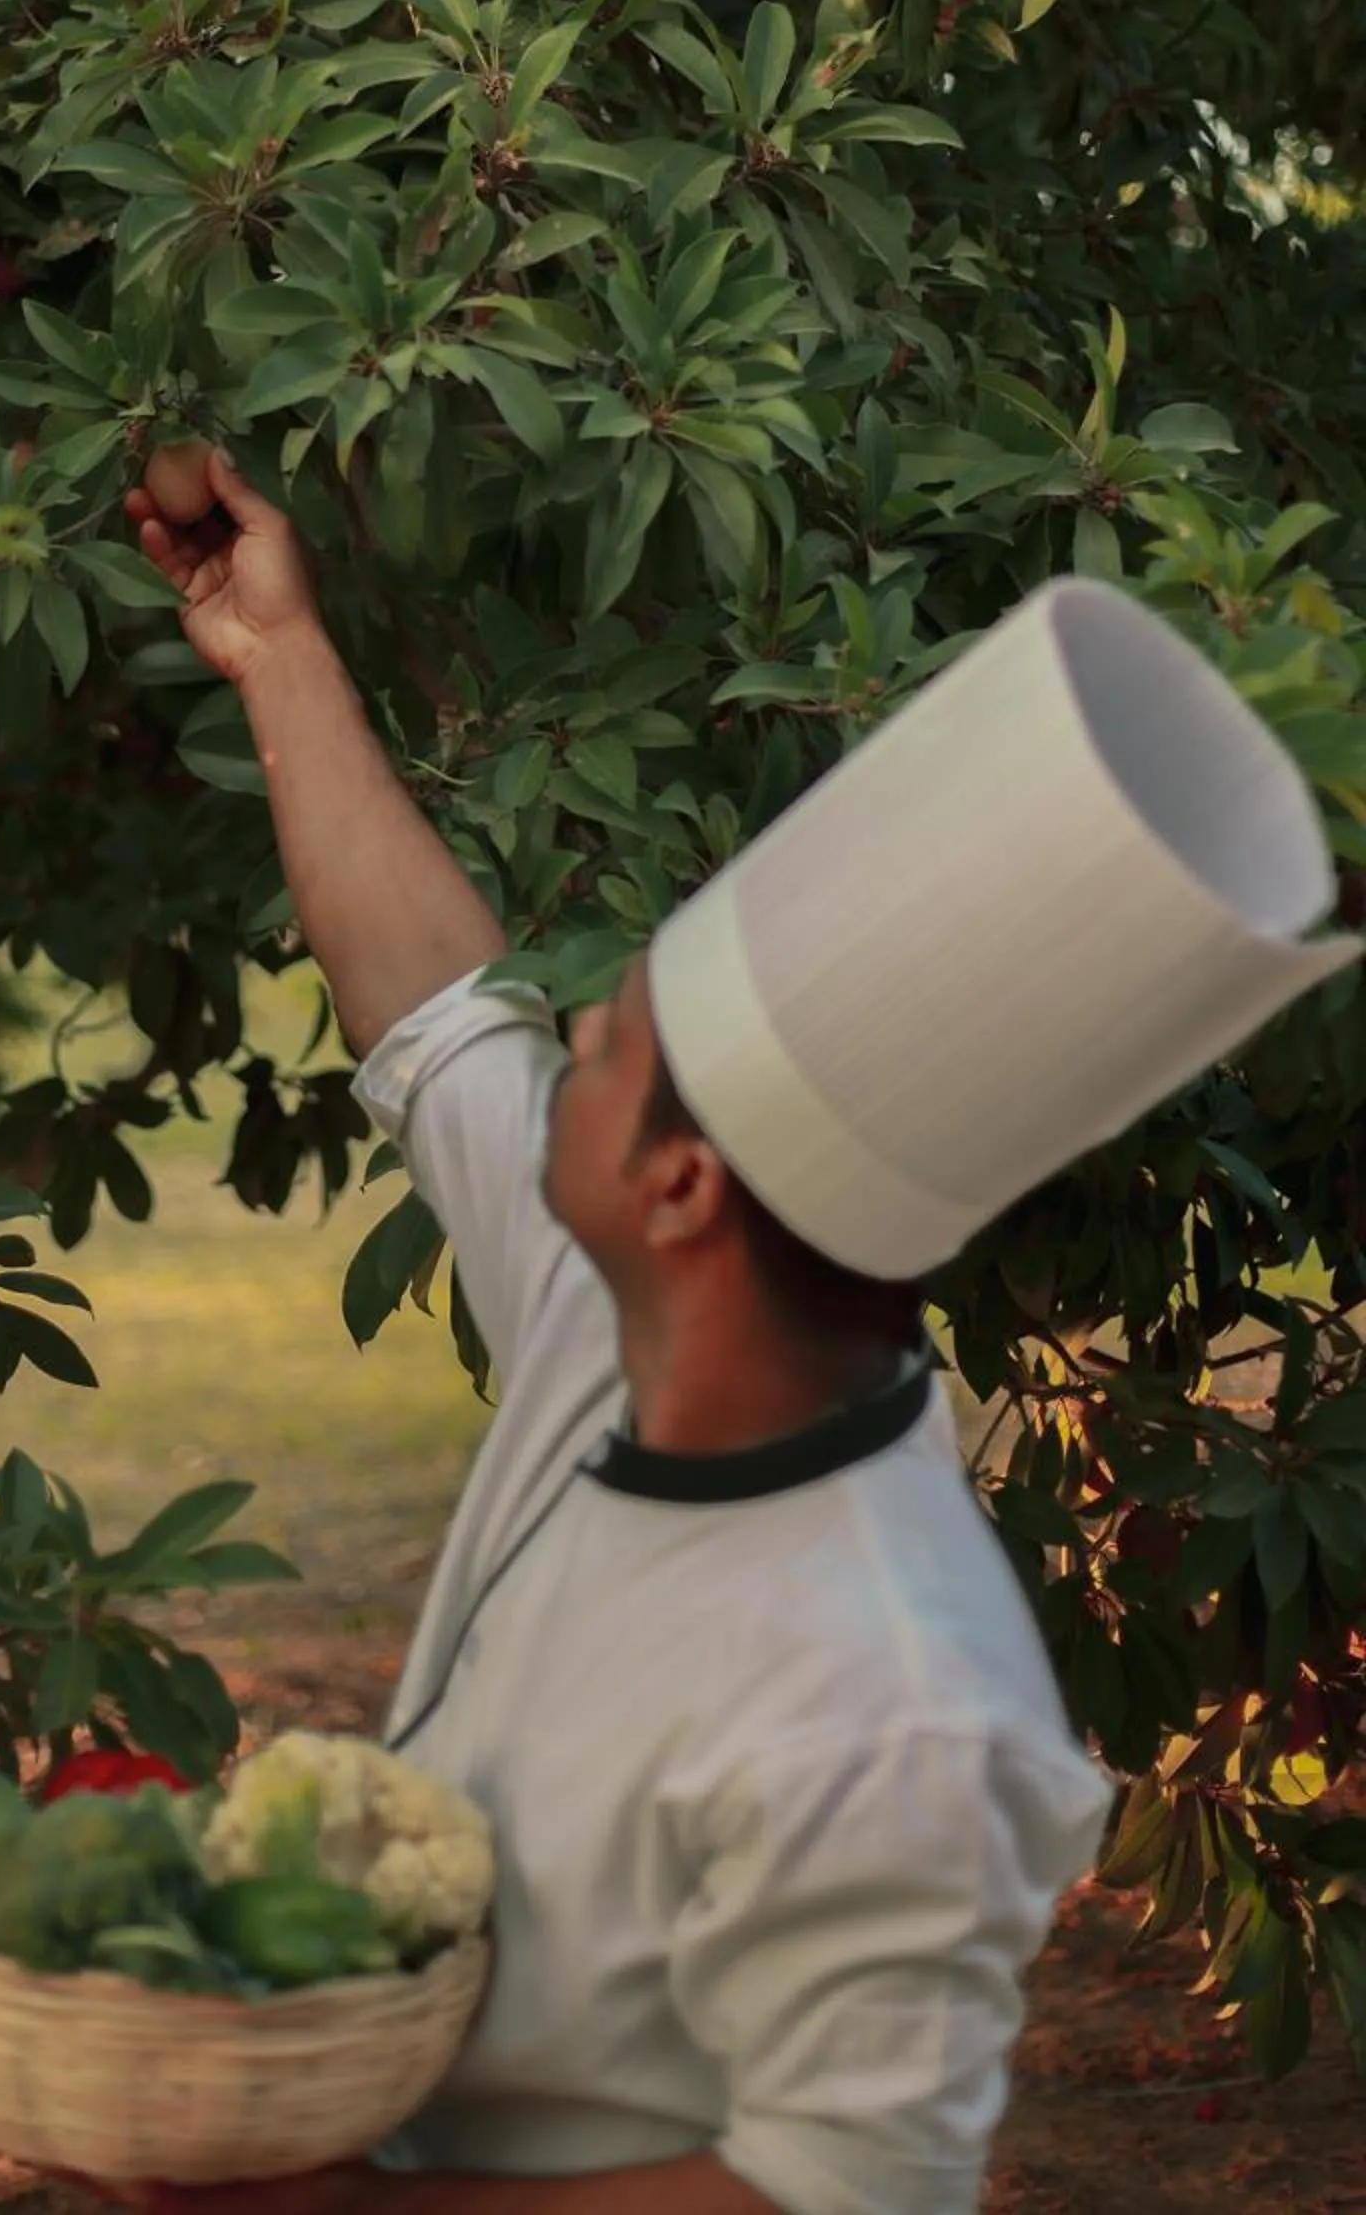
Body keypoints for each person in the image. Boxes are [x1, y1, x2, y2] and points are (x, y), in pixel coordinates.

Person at [112, 444, 1357, 2215]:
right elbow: (436, 1015)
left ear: (685, 1194)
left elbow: (829, 2196)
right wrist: (280, 653)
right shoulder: (614, 1317)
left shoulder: (903, 1702)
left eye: (602, 1046)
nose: (560, 1056)